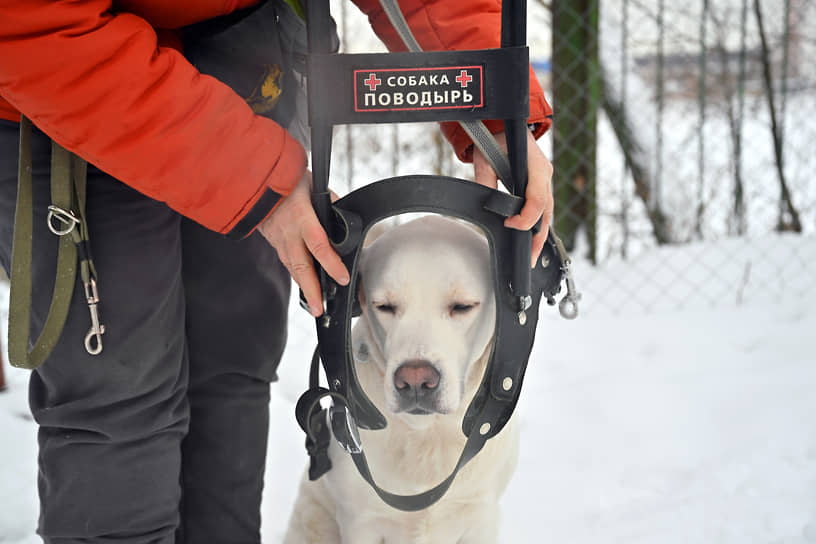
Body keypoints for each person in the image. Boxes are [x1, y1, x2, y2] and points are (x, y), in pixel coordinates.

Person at [0, 0, 554, 542]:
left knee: (231, 374)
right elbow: (29, 21)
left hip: (250, 55)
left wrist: (499, 111)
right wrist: (255, 175)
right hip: (71, 83)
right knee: (118, 400)